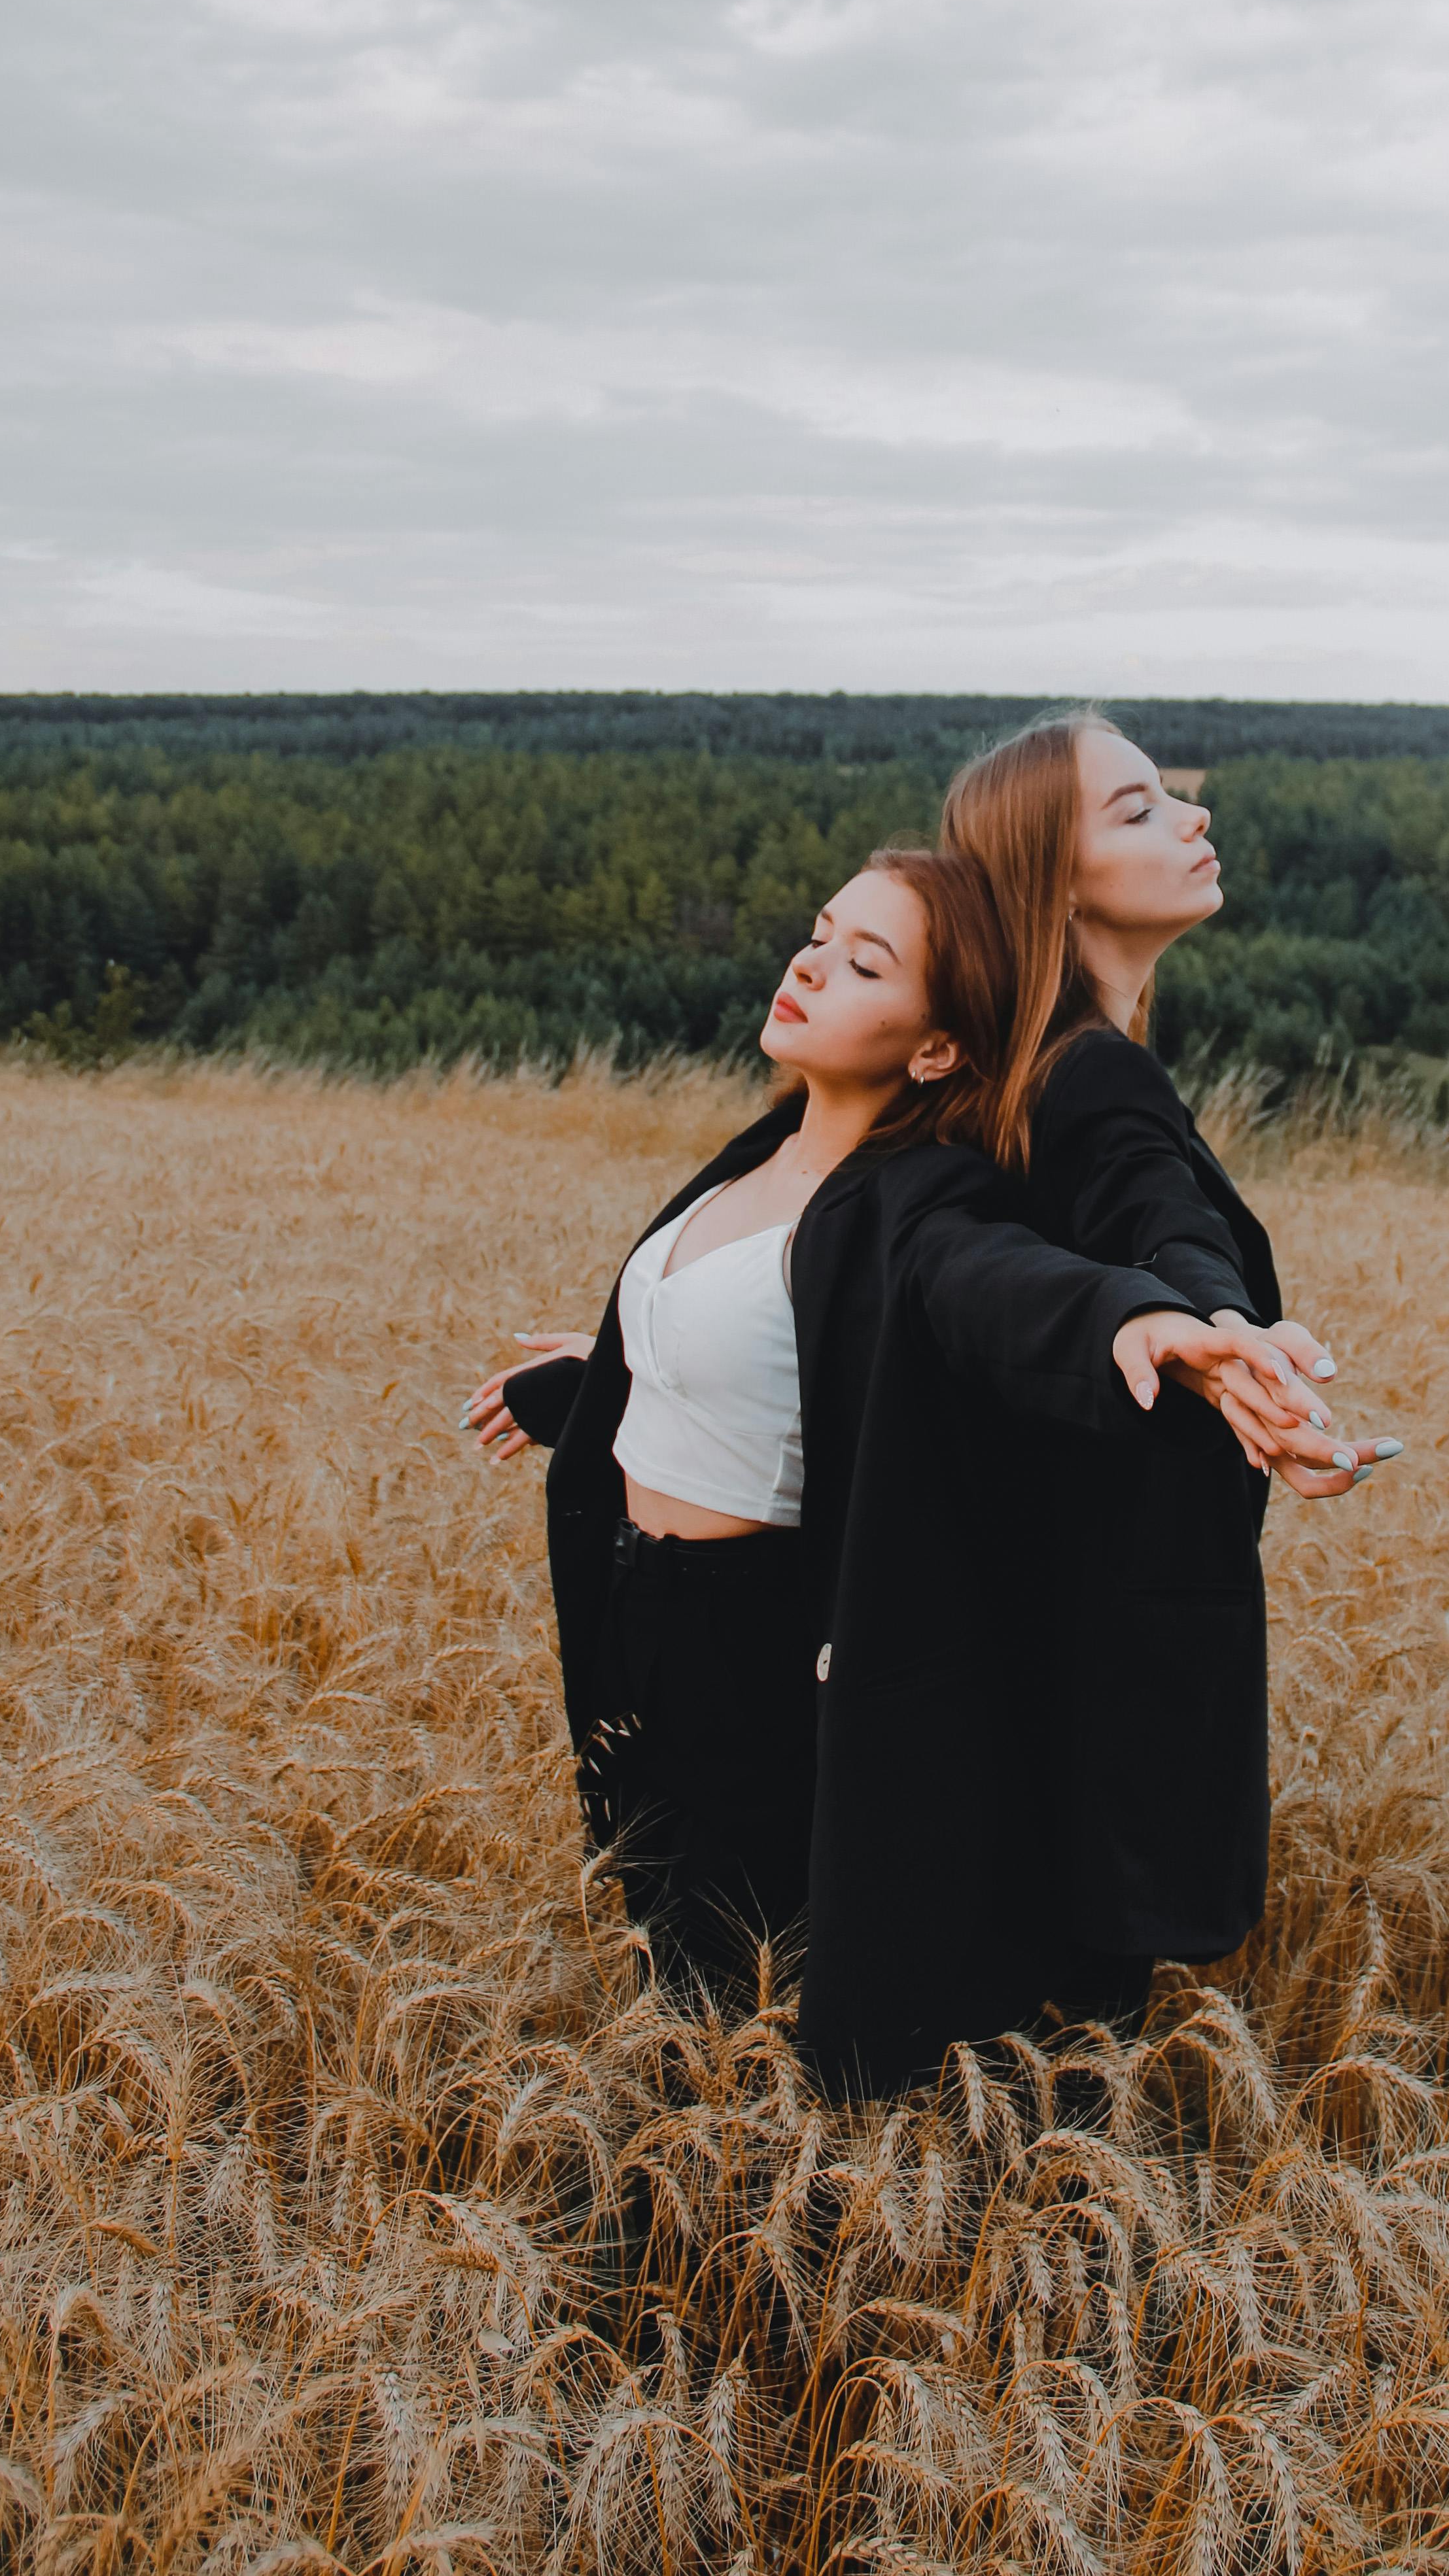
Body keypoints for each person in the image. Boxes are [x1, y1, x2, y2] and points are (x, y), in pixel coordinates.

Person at [464, 846, 1322, 2035]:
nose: (810, 966)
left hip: (755, 1653)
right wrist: (588, 1382)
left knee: (745, 2004)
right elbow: (759, 1347)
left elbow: (995, 1286)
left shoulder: (918, 1196)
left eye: (863, 962)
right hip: (632, 1625)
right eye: (819, 933)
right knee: (661, 1964)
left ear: (934, 1048)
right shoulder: (759, 1156)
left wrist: (1145, 1322)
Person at [906, 711, 1375, 2058]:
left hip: (1001, 1669)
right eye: (1134, 810)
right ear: (1049, 884)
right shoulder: (1091, 1073)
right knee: (1060, 2066)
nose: (1190, 818)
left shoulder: (1020, 1065)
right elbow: (1160, 1215)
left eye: (1169, 794)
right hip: (1079, 1685)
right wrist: (1215, 1325)